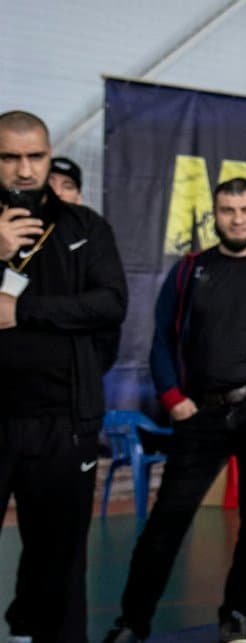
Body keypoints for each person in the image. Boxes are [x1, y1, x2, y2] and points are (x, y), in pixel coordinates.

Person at [102, 177, 246, 643]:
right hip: (199, 414)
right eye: (227, 210)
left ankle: (237, 613)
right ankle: (132, 621)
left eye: (245, 209)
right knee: (167, 521)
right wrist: (171, 397)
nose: (237, 218)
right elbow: (160, 337)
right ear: (214, 214)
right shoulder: (189, 270)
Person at [0, 110, 128, 643]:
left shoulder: (85, 227)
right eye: (10, 157)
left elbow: (110, 303)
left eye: (36, 157)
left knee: (61, 560)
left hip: (63, 420)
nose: (25, 170)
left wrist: (24, 311)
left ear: (50, 157)